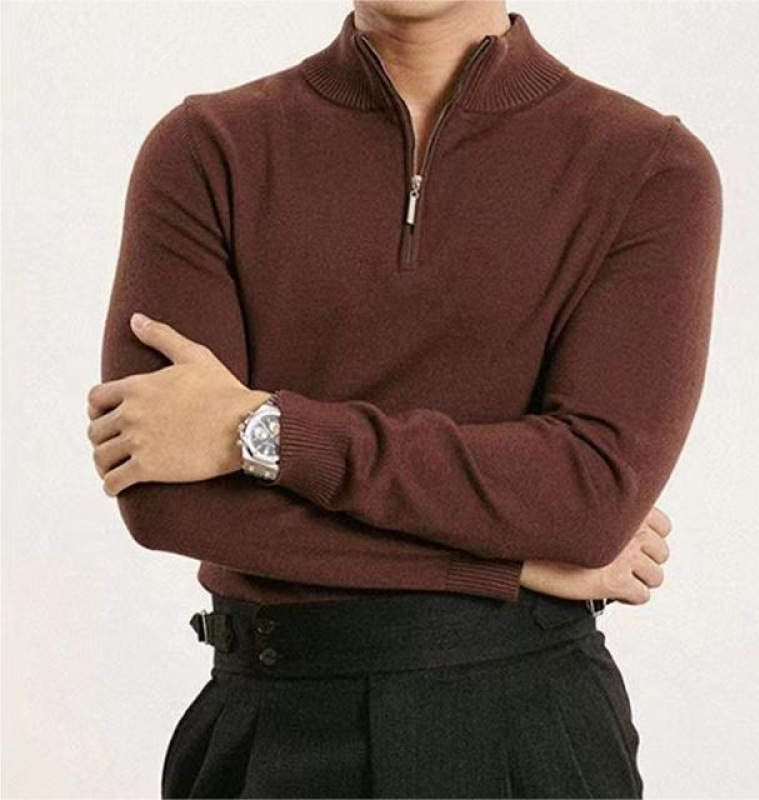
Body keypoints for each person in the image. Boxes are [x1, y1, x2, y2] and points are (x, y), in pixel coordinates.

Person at [85, 1, 721, 796]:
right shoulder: (206, 149)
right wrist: (512, 565)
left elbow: (589, 499)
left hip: (528, 731)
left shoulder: (648, 166)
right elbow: (168, 502)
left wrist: (262, 430)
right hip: (271, 722)